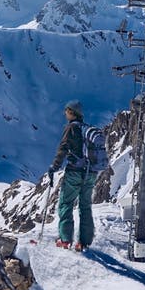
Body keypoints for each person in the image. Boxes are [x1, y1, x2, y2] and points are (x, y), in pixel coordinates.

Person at [48, 100, 95, 251]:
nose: (65, 113)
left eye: (67, 111)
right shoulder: (87, 129)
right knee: (85, 206)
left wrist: (54, 167)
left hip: (74, 172)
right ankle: (84, 242)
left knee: (66, 204)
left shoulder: (71, 129)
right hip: (90, 173)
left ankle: (65, 239)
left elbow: (63, 149)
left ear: (72, 112)